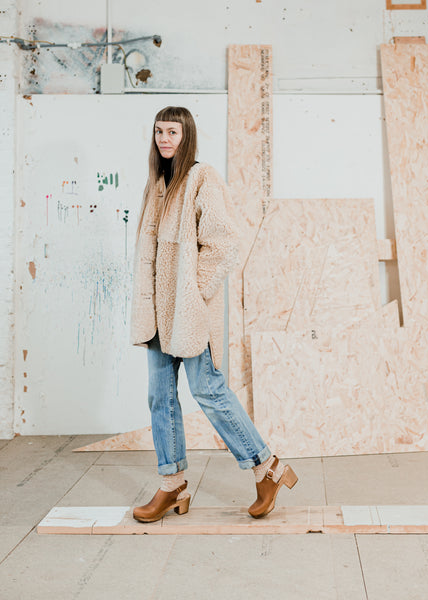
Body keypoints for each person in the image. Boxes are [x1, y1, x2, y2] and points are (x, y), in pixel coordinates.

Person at [130, 105, 298, 523]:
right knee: (159, 397)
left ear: (187, 136)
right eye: (159, 132)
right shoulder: (156, 183)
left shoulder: (201, 178)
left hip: (186, 313)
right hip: (155, 313)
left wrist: (191, 293)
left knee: (208, 390)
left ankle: (266, 467)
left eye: (172, 131)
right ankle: (172, 486)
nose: (164, 139)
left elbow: (224, 244)